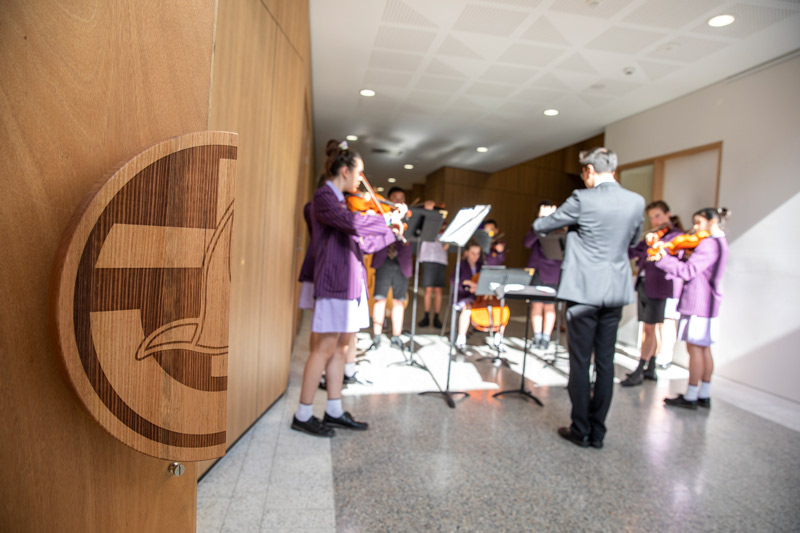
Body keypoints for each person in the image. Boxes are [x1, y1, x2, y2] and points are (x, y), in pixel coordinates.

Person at [292, 141, 406, 437]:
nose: (360, 181)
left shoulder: (341, 199)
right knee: (325, 347)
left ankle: (333, 410)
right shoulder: (323, 199)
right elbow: (351, 222)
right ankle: (303, 414)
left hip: (350, 281)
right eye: (359, 173)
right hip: (335, 281)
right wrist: (384, 219)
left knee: (342, 347)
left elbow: (365, 242)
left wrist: (390, 231)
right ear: (345, 171)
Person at [533, 147, 644, 449]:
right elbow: (634, 241)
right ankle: (598, 432)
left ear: (590, 171)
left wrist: (547, 216)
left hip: (583, 290)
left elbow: (541, 227)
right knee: (606, 363)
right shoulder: (636, 201)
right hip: (616, 291)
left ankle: (580, 429)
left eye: (584, 173)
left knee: (581, 362)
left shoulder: (583, 198)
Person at [652, 207, 730, 409]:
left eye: (698, 222)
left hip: (698, 302)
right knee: (704, 349)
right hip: (709, 302)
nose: (694, 228)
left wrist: (663, 258)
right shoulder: (721, 243)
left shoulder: (708, 244)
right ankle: (703, 393)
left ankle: (691, 396)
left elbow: (688, 271)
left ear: (711, 222)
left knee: (694, 349)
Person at [621, 200, 683, 386]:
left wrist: (659, 251)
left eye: (658, 216)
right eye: (651, 218)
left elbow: (676, 262)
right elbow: (632, 253)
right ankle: (651, 368)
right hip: (644, 285)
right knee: (649, 327)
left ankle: (642, 368)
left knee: (651, 327)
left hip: (660, 287)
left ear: (667, 214)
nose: (655, 221)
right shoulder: (651, 237)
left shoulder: (675, 237)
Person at [370, 187, 412, 351]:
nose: (398, 201)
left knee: (399, 301)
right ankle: (377, 336)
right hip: (384, 259)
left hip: (402, 262)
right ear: (388, 199)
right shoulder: (382, 215)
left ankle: (396, 336)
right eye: (395, 198)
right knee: (379, 298)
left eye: (402, 198)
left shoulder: (408, 218)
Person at [523, 200, 562, 350]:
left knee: (549, 306)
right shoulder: (536, 227)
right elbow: (527, 243)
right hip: (537, 271)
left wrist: (553, 220)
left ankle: (546, 338)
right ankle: (537, 336)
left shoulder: (560, 228)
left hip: (554, 271)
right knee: (536, 305)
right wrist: (540, 222)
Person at [418, 202, 448, 329]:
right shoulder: (426, 222)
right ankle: (426, 316)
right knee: (428, 289)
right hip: (428, 257)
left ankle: (436, 317)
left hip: (440, 258)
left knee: (438, 289)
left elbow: (446, 246)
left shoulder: (444, 227)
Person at [453, 240, 483, 353]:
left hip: (478, 298)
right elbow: (454, 282)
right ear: (466, 253)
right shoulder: (460, 265)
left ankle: (497, 339)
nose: (475, 256)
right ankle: (461, 339)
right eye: (473, 253)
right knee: (467, 308)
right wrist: (467, 285)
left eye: (478, 253)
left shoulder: (481, 266)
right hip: (462, 297)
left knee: (498, 307)